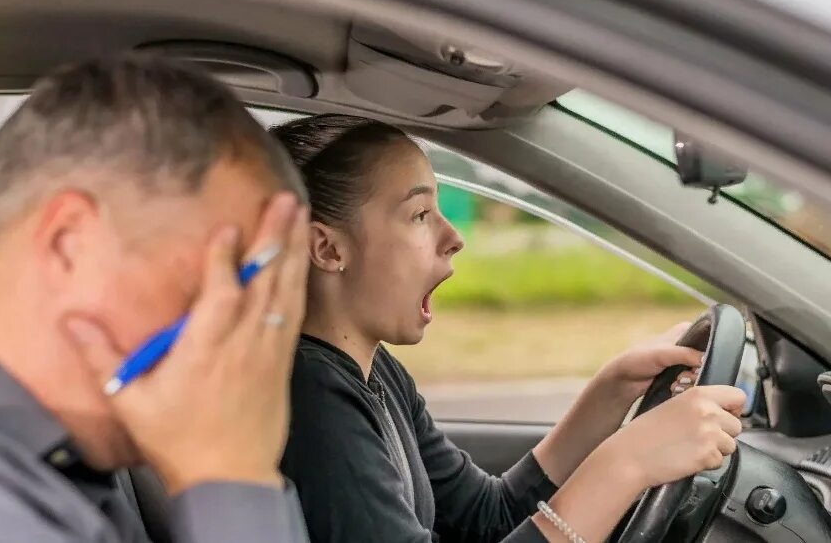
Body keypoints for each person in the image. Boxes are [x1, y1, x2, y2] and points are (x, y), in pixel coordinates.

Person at [272, 114, 746, 543]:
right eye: (419, 215)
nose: (453, 238)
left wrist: (614, 388)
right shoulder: (312, 398)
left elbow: (487, 517)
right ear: (328, 249)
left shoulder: (374, 375)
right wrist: (628, 463)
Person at [0, 54, 312, 542]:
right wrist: (230, 477)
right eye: (215, 293)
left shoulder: (56, 457)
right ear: (68, 244)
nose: (236, 354)